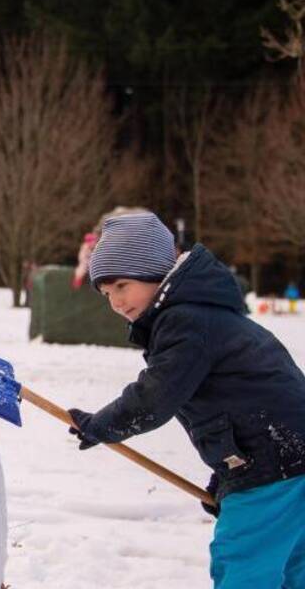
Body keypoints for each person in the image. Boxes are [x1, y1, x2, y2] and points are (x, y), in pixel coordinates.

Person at [67, 211, 305, 589]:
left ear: (154, 272)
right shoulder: (205, 313)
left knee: (243, 564)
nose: (115, 302)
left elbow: (155, 397)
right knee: (294, 566)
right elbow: (239, 404)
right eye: (107, 293)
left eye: (123, 285)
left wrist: (103, 425)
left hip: (273, 462)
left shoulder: (185, 321)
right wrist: (228, 478)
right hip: (288, 455)